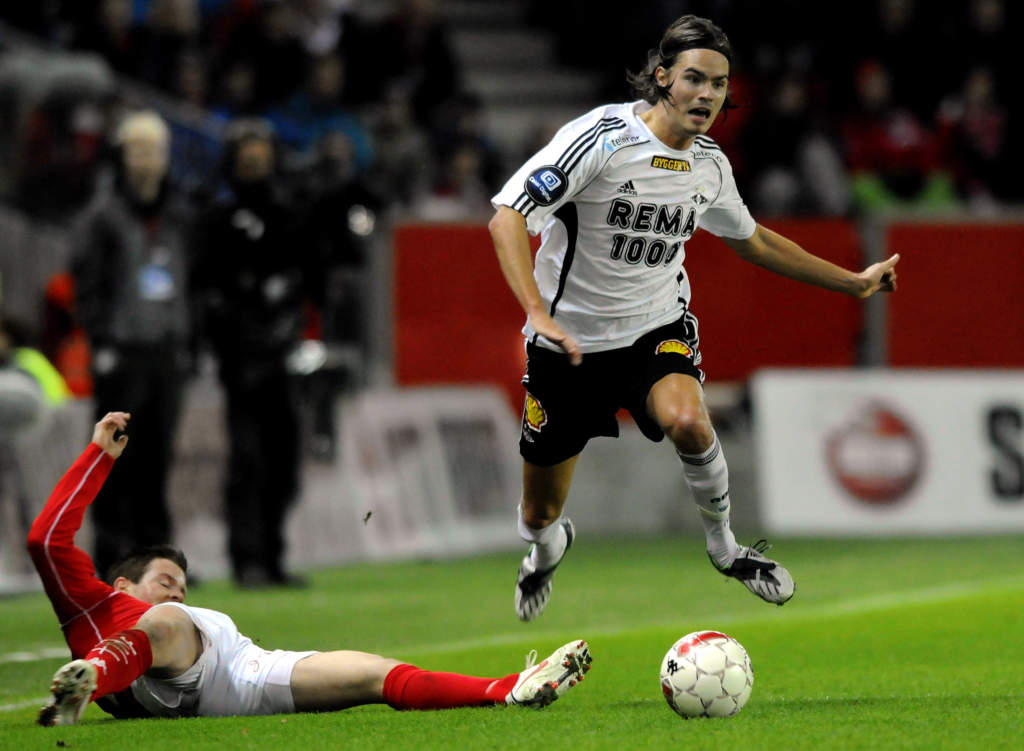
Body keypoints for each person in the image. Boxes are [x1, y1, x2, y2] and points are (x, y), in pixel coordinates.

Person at [487, 15, 900, 622]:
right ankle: (547, 549)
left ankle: (725, 547)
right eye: (695, 79)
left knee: (689, 422)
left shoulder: (708, 164)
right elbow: (506, 215)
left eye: (719, 85)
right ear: (662, 79)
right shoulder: (600, 139)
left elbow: (753, 240)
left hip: (654, 329)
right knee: (538, 514)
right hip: (567, 343)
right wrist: (535, 313)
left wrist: (853, 281)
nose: (708, 95)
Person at [28, 412, 592, 725]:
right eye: (163, 582)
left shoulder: (174, 620)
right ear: (123, 584)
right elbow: (45, 538)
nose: (176, 590)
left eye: (181, 585)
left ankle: (507, 689)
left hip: (238, 670)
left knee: (375, 674)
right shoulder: (94, 603)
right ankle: (92, 679)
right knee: (159, 624)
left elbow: (171, 623)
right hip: (160, 675)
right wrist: (99, 456)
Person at [71, 110, 196, 578]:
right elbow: (87, 282)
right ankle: (113, 563)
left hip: (166, 349)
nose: (147, 160)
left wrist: (190, 340)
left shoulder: (180, 215)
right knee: (115, 462)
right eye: (139, 150)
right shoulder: (102, 217)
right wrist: (100, 340)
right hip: (122, 351)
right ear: (123, 156)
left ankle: (160, 568)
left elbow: (193, 283)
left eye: (155, 151)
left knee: (158, 461)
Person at [193, 118, 316, 588]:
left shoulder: (288, 209)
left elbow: (307, 274)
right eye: (246, 148)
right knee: (247, 459)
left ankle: (273, 554)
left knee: (283, 459)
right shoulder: (218, 214)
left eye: (261, 147)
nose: (255, 156)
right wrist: (233, 331)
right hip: (240, 356)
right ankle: (247, 559)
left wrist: (288, 320)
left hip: (282, 352)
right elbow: (207, 285)